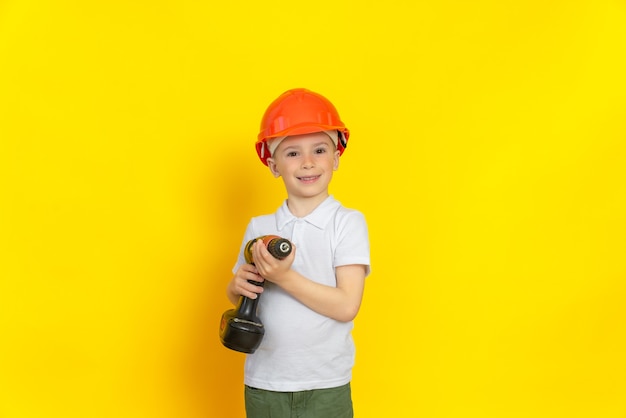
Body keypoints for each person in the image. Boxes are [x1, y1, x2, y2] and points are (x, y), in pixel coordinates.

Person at [226, 88, 370, 418]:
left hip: (325, 383)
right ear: (273, 163)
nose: (307, 162)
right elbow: (235, 293)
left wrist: (284, 278)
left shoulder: (347, 223)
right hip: (266, 382)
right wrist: (237, 286)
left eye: (319, 150)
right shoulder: (259, 227)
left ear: (336, 157)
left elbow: (347, 305)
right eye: (292, 153)